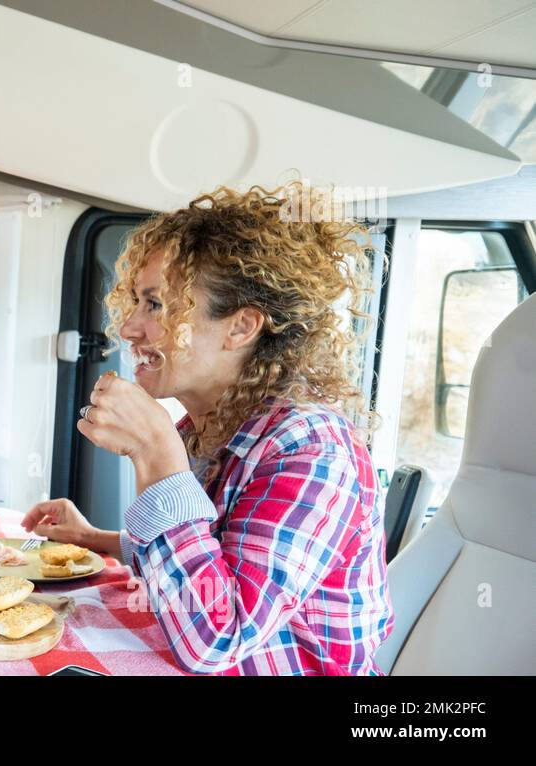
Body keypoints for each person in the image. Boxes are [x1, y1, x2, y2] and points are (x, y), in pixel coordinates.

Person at [25, 183, 393, 675]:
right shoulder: (212, 429)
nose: (129, 328)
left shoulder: (313, 449)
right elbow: (210, 558)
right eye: (135, 302)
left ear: (241, 328)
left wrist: (156, 452)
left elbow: (218, 638)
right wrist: (96, 539)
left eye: (155, 305)